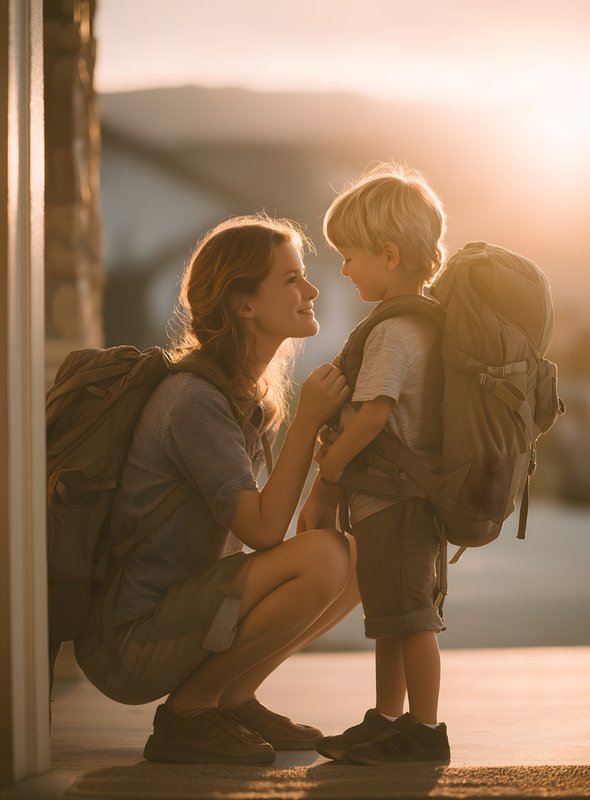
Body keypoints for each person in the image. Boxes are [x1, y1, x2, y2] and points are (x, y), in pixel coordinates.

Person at [74, 214, 360, 765]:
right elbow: (262, 529)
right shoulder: (194, 400)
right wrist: (309, 423)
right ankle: (190, 712)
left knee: (359, 558)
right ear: (244, 304)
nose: (312, 289)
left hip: (188, 611)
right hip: (132, 640)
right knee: (326, 556)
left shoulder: (246, 397)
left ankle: (231, 696)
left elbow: (263, 537)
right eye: (291, 278)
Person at [300, 164, 451, 765]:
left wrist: (329, 473)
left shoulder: (395, 331)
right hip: (395, 500)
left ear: (389, 254)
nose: (343, 269)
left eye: (350, 256)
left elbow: (372, 414)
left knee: (411, 618)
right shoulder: (416, 322)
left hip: (397, 500)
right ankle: (389, 718)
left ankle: (424, 730)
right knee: (389, 614)